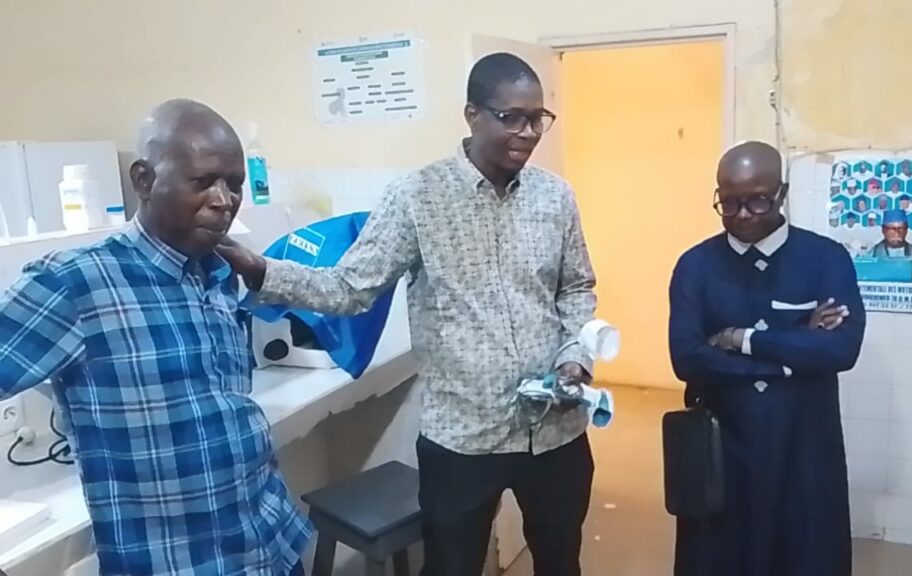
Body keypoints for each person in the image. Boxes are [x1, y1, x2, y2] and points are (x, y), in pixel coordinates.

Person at [217, 53, 597, 576]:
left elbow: (576, 288)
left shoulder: (555, 197)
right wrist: (263, 271)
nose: (528, 133)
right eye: (512, 117)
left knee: (561, 562)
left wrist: (576, 357)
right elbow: (351, 287)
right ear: (472, 115)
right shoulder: (417, 197)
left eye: (538, 119)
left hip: (555, 430)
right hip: (463, 437)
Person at [0, 99, 311, 575]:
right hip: (181, 563)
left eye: (234, 184)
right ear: (143, 180)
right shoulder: (76, 283)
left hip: (270, 543)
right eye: (203, 181)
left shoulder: (218, 271)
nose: (224, 200)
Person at [668, 141, 865, 576]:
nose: (742, 215)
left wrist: (741, 339)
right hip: (722, 445)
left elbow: (841, 349)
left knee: (805, 555)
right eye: (729, 203)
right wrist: (793, 352)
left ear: (781, 193)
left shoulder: (825, 258)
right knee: (718, 558)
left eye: (757, 201)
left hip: (804, 445)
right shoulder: (695, 266)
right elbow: (687, 359)